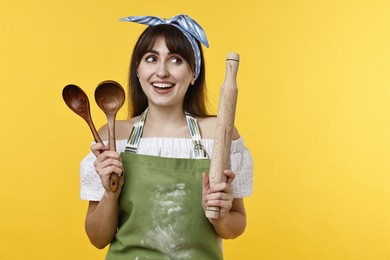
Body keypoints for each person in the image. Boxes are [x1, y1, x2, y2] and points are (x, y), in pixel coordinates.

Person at [80, 14, 253, 259]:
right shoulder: (112, 136)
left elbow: (236, 226)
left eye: (176, 60)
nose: (162, 72)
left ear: (194, 73)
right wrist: (110, 192)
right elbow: (97, 239)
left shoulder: (219, 135)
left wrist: (222, 215)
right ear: (138, 71)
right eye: (151, 59)